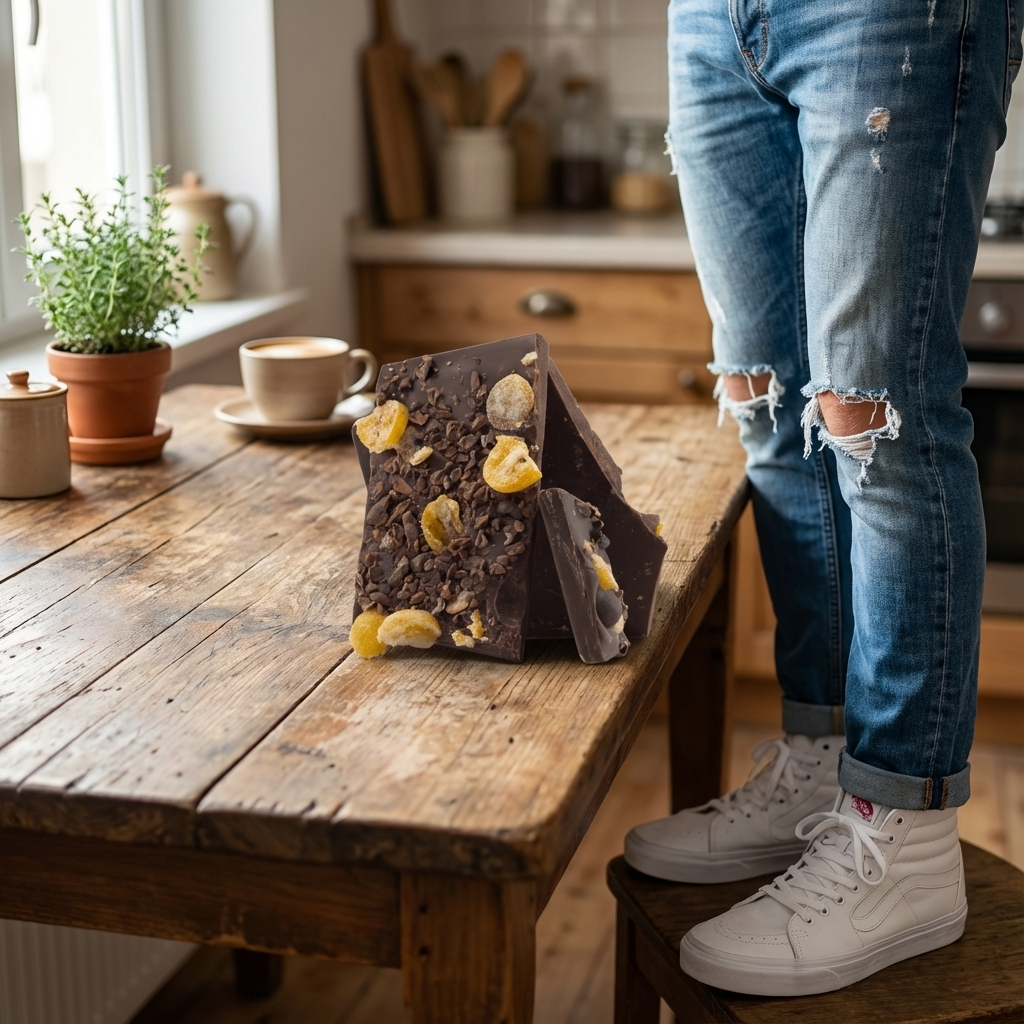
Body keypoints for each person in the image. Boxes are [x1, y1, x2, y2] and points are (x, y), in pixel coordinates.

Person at [624, 0, 1021, 997]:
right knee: (766, 401)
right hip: (712, 20)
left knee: (875, 418)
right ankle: (822, 749)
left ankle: (905, 826)